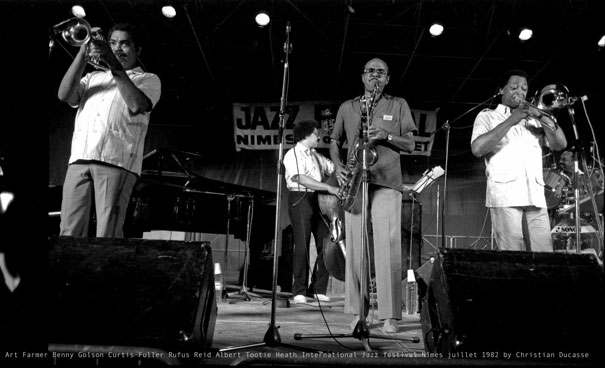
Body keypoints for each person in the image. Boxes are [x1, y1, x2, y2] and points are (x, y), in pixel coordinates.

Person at [330, 58, 416, 333]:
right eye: (370, 71)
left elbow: (411, 143)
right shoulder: (348, 106)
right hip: (355, 182)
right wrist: (339, 166)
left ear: (387, 79)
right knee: (354, 247)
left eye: (381, 72)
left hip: (388, 182)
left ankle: (389, 316)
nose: (375, 75)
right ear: (363, 77)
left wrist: (387, 136)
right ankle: (358, 312)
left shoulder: (398, 104)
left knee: (388, 247)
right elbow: (334, 141)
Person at [57, 22, 161, 238]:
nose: (117, 48)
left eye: (124, 44)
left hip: (117, 162)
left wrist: (112, 63)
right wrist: (82, 53)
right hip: (80, 159)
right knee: (68, 234)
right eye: (112, 43)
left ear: (137, 50)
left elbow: (136, 104)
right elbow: (65, 95)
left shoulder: (147, 79)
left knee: (108, 236)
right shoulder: (92, 78)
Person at [471, 69, 567, 252]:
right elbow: (477, 148)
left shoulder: (535, 120)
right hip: (505, 195)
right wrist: (511, 121)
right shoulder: (487, 116)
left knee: (544, 253)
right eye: (514, 87)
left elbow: (560, 144)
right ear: (501, 90)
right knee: (512, 254)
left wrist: (540, 115)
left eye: (524, 88)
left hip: (536, 196)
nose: (520, 91)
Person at [283, 120, 340, 304]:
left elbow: (334, 170)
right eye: (316, 134)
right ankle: (298, 290)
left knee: (327, 242)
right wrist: (329, 188)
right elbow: (300, 178)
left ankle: (317, 289)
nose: (318, 136)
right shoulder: (292, 155)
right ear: (307, 135)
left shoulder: (316, 155)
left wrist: (342, 169)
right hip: (300, 198)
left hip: (319, 200)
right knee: (302, 243)